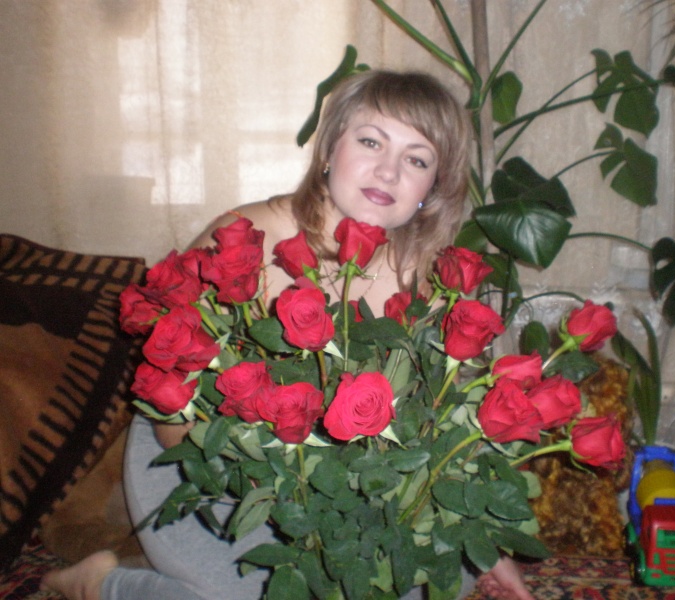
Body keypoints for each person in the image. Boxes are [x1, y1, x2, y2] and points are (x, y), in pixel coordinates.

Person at [42, 69, 535, 600]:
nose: (388, 171)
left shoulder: (435, 279)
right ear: (330, 147)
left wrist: (487, 549)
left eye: (417, 160)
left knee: (428, 580)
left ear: (433, 188)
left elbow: (450, 430)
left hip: (339, 491)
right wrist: (266, 488)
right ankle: (101, 585)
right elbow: (171, 402)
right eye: (371, 142)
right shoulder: (243, 240)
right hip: (202, 460)